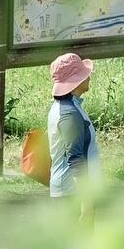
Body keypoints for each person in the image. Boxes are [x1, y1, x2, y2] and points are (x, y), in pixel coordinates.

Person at [47, 51, 99, 200]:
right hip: (71, 195)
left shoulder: (65, 107)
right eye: (84, 74)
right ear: (76, 81)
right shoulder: (69, 114)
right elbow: (75, 159)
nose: (88, 77)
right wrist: (86, 203)